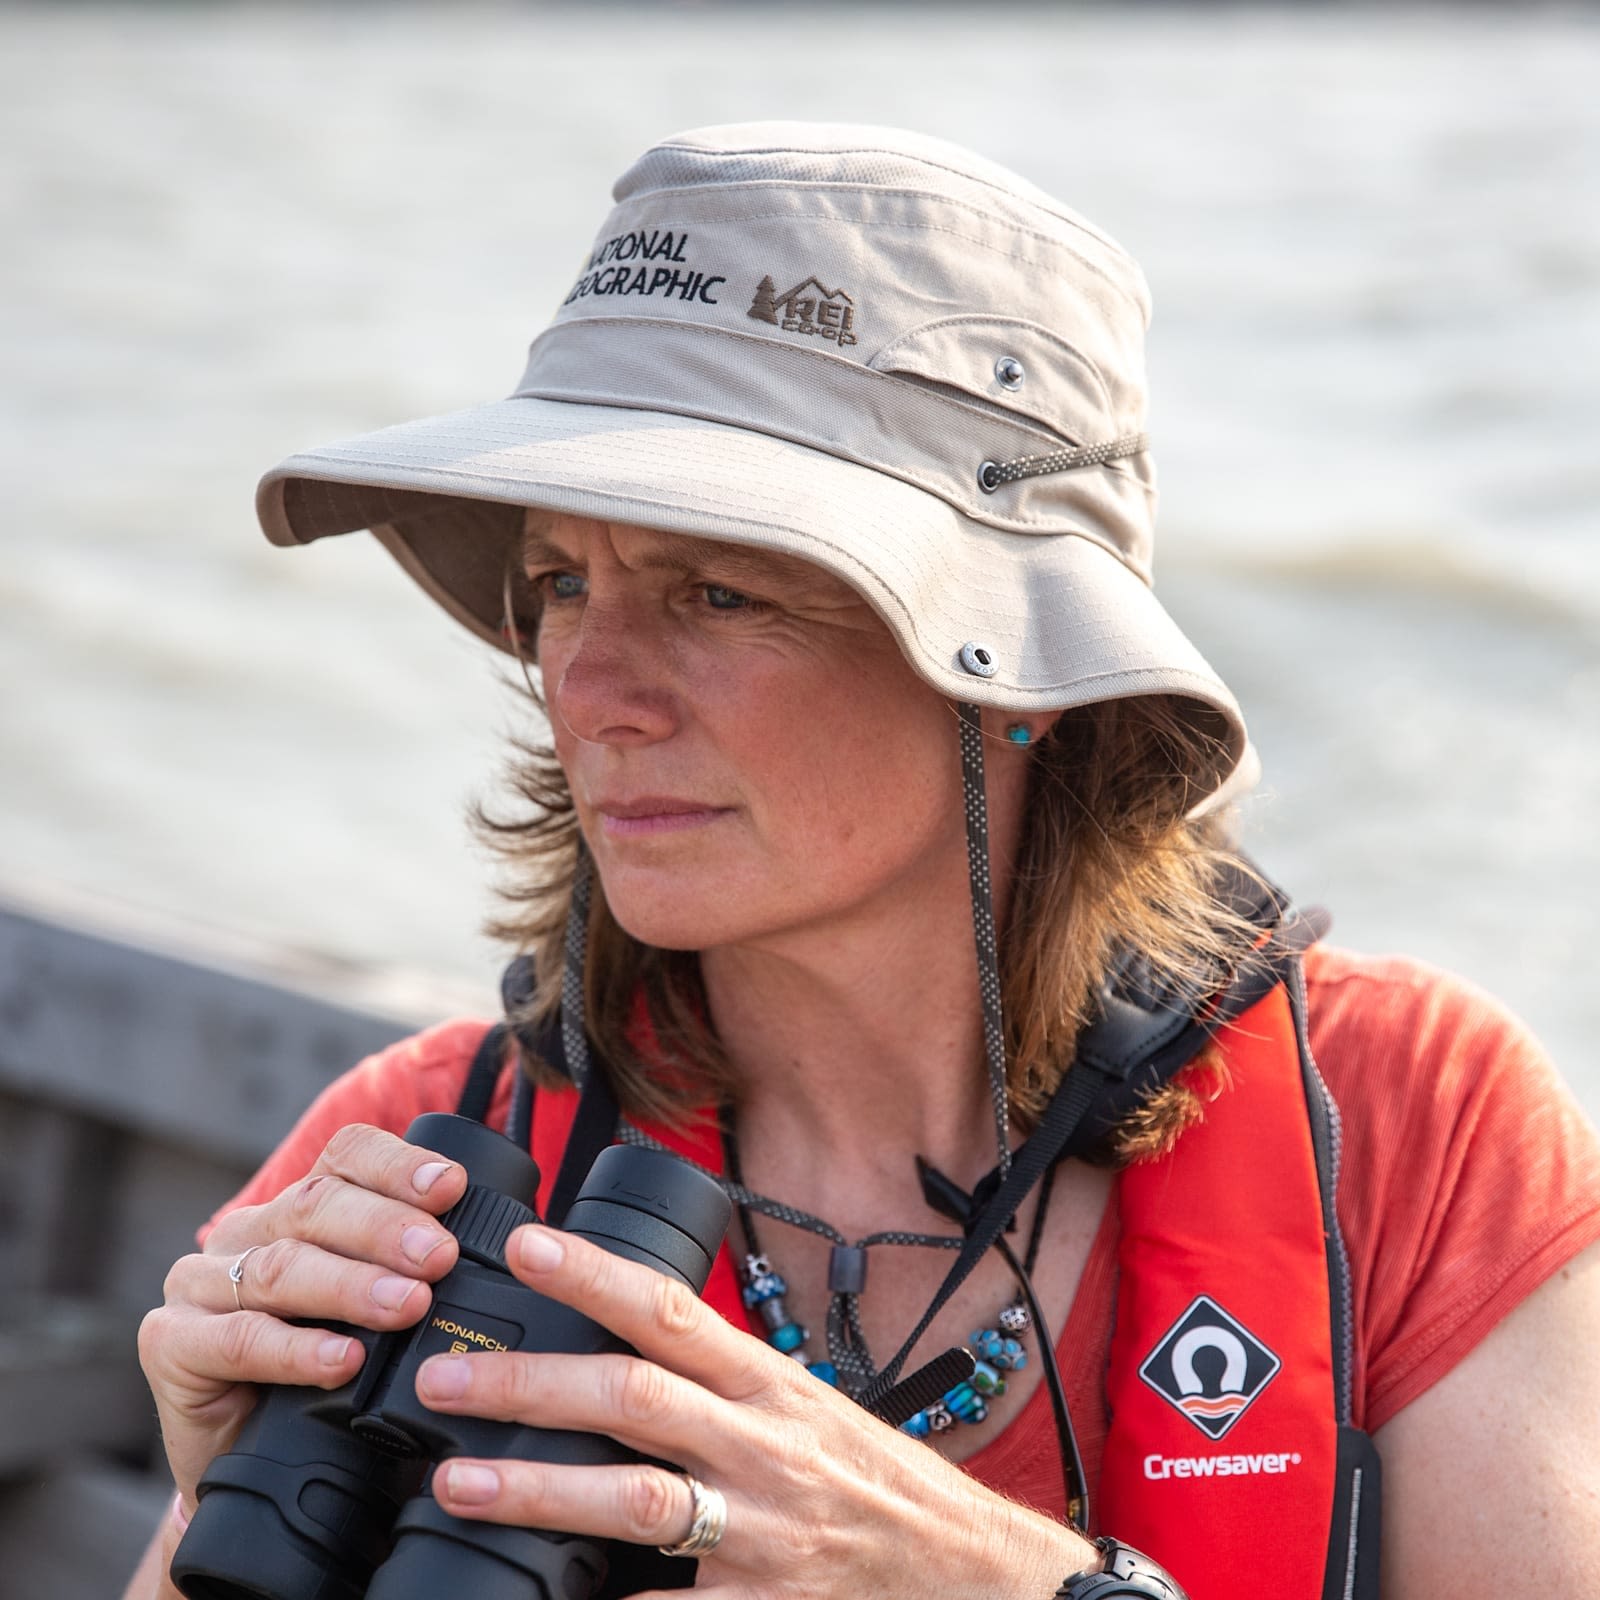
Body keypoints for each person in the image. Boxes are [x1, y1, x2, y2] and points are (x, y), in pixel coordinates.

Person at [128, 124, 1600, 1600]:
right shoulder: (415, 1170)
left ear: (1018, 679)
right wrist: (217, 1515)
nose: (592, 684)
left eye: (718, 591)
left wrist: (1013, 1586)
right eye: (561, 583)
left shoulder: (1414, 1124)